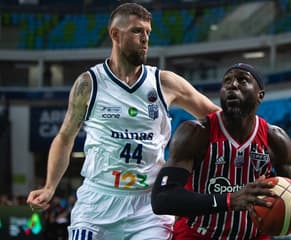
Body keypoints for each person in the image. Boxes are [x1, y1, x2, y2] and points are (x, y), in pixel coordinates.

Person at [26, 3, 220, 240]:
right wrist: (49, 186)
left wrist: (259, 137)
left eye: (148, 32)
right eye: (137, 31)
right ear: (115, 34)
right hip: (97, 203)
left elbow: (216, 117)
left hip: (148, 206)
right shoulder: (89, 83)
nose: (145, 39)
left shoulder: (165, 83)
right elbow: (65, 137)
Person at [151, 63, 291, 239]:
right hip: (199, 234)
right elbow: (163, 199)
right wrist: (229, 200)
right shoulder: (195, 132)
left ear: (260, 95)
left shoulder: (276, 140)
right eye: (227, 81)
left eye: (242, 80)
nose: (232, 84)